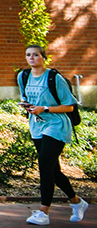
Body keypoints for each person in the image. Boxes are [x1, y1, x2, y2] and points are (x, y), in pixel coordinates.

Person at [19, 44, 88, 225]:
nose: (31, 58)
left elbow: (70, 106)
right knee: (53, 170)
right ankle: (77, 202)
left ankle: (43, 212)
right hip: (36, 126)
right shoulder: (23, 76)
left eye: (35, 55)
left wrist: (45, 108)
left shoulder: (54, 78)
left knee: (44, 163)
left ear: (44, 57)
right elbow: (25, 97)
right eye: (28, 55)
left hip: (57, 125)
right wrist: (27, 106)